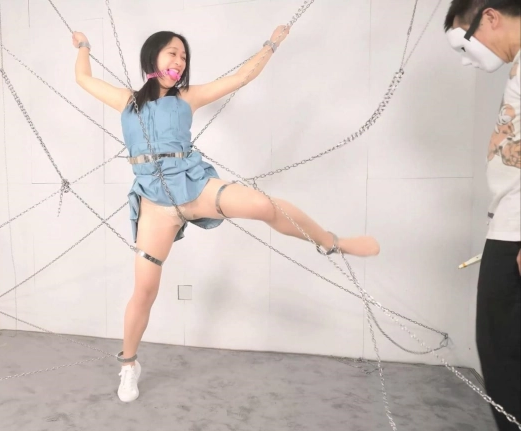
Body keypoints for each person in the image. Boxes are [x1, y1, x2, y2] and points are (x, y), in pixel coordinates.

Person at [70, 26, 381, 403]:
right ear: (153, 56)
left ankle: (332, 242)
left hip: (194, 184)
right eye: (172, 53)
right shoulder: (127, 101)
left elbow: (242, 76)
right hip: (154, 204)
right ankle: (129, 364)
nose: (179, 61)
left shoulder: (188, 96)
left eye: (184, 56)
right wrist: (83, 46)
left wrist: (272, 43)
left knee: (263, 205)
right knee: (145, 290)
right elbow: (83, 78)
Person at [444, 1, 521, 431]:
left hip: (516, 231)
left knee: (503, 356)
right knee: (502, 353)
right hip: (509, 224)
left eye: (463, 42)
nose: (466, 59)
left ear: (489, 17)